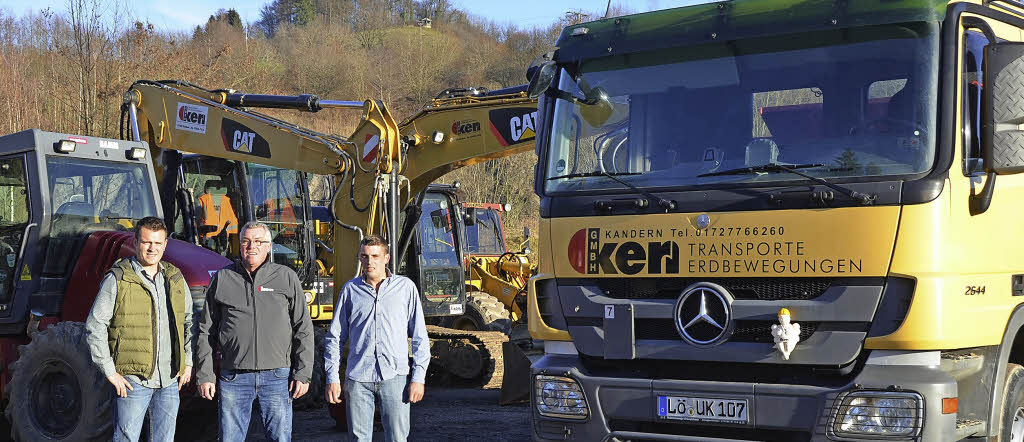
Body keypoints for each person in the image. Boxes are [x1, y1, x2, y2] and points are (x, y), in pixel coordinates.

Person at [195, 221, 313, 442]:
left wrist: (303, 373)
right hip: (234, 377)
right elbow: (206, 331)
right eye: (247, 241)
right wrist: (205, 374)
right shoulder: (223, 279)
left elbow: (303, 329)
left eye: (259, 242)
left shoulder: (286, 277)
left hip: (277, 376)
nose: (252, 246)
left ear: (269, 246)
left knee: (279, 438)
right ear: (239, 246)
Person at [84, 216, 193, 442]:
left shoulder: (175, 278)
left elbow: (189, 322)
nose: (152, 248)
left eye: (157, 243)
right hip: (133, 381)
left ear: (165, 244)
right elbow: (95, 325)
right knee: (126, 438)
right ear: (135, 243)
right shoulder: (118, 279)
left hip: (170, 380)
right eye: (146, 242)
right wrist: (110, 371)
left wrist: (188, 361)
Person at [325, 235, 430, 442]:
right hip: (358, 379)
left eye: (375, 256)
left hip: (395, 377)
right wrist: (333, 378)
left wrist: (419, 377)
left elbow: (419, 336)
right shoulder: (350, 290)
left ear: (386, 258)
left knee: (398, 438)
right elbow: (335, 338)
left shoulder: (405, 289)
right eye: (364, 256)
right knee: (358, 438)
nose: (369, 261)